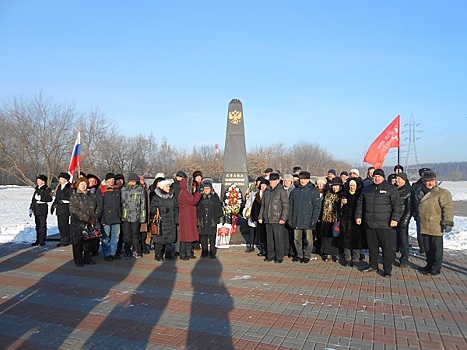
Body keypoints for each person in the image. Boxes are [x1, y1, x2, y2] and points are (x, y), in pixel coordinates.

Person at [355, 168, 403, 277]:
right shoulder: (367, 189)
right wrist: (358, 216)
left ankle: (387, 269)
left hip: (385, 224)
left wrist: (395, 219)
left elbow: (397, 206)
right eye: (375, 176)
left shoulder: (390, 189)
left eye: (379, 177)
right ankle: (373, 265)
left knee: (387, 248)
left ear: (383, 178)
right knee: (372, 247)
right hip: (370, 223)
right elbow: (360, 204)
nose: (376, 178)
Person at [414, 171, 454, 276]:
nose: (430, 183)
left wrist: (448, 222)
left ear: (435, 181)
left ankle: (436, 267)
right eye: (427, 181)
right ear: (423, 181)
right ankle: (429, 264)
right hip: (423, 224)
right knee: (427, 247)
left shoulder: (442, 192)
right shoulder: (419, 192)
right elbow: (415, 206)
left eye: (432, 181)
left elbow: (448, 208)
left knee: (436, 248)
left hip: (436, 224)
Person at [289, 171, 322, 263]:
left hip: (308, 219)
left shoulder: (313, 191)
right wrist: (290, 218)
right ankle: (299, 254)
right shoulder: (294, 191)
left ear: (308, 180)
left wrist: (314, 220)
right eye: (301, 179)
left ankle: (307, 255)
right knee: (296, 238)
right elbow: (290, 206)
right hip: (296, 218)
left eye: (304, 179)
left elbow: (317, 207)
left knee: (309, 240)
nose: (302, 181)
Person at [69, 176, 101, 267]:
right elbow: (74, 210)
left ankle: (88, 258)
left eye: (85, 184)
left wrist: (94, 217)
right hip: (78, 223)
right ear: (78, 185)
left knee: (89, 242)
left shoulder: (92, 195)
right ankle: (78, 260)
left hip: (91, 222)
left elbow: (98, 206)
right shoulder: (74, 196)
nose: (83, 186)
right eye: (81, 184)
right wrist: (86, 218)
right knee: (78, 242)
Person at [258, 172, 289, 263]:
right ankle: (270, 255)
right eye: (270, 180)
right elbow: (263, 206)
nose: (271, 182)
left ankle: (279, 256)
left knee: (278, 239)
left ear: (278, 181)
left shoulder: (281, 191)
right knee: (269, 239)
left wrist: (283, 218)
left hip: (277, 219)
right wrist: (261, 216)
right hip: (268, 219)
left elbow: (286, 206)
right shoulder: (266, 191)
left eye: (273, 180)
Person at [339, 179, 365, 267]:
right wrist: (341, 204)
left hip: (356, 220)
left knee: (356, 240)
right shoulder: (344, 195)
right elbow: (339, 209)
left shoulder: (360, 195)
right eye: (350, 186)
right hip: (346, 220)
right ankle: (347, 258)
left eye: (353, 186)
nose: (352, 187)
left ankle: (355, 259)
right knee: (346, 240)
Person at [121, 172, 147, 260]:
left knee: (135, 234)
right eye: (130, 181)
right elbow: (121, 203)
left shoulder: (140, 190)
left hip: (136, 215)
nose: (132, 183)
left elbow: (143, 204)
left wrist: (143, 217)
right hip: (125, 216)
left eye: (134, 181)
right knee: (126, 235)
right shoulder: (123, 189)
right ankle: (127, 251)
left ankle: (136, 251)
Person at [97, 173, 122, 262]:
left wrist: (120, 215)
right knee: (106, 237)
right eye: (110, 179)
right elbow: (100, 205)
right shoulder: (101, 189)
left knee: (115, 237)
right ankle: (106, 254)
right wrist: (102, 219)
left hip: (116, 217)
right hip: (106, 218)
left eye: (113, 179)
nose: (111, 181)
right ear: (106, 180)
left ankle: (113, 253)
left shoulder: (117, 189)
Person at [151, 179, 178, 261]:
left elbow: (176, 207)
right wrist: (163, 209)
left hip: (171, 221)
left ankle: (168, 254)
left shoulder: (172, 196)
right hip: (161, 221)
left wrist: (176, 217)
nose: (168, 188)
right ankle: (158, 255)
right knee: (159, 240)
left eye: (169, 186)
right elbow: (153, 208)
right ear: (162, 187)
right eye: (167, 186)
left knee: (169, 240)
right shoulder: (156, 197)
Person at [197, 179, 223, 259]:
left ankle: (212, 252)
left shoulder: (215, 197)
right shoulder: (200, 197)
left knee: (212, 237)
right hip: (202, 220)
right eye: (205, 189)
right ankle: (204, 252)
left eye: (208, 189)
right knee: (203, 237)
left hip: (212, 220)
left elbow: (219, 208)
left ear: (211, 189)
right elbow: (197, 209)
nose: (206, 190)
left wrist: (220, 218)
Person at [319, 177, 343, 262]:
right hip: (326, 219)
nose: (335, 188)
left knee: (336, 237)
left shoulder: (342, 195)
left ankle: (336, 254)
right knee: (327, 237)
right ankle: (327, 253)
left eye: (337, 186)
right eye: (333, 186)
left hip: (337, 220)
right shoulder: (328, 194)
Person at [178, 177, 202, 260]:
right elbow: (193, 201)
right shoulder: (184, 193)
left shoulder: (186, 192)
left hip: (189, 216)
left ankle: (188, 252)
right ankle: (182, 253)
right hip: (185, 217)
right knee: (185, 236)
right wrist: (198, 194)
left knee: (189, 235)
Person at [394, 172, 413, 268]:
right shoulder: (393, 189)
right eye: (396, 178)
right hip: (393, 219)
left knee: (403, 240)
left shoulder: (408, 191)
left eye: (399, 179)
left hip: (402, 219)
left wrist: (405, 221)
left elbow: (409, 209)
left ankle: (404, 259)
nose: (396, 180)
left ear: (404, 180)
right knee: (393, 239)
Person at [412, 167, 431, 253]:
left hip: (432, 214)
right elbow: (413, 200)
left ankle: (430, 248)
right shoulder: (416, 185)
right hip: (419, 213)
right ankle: (422, 248)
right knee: (420, 232)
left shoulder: (433, 185)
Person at [29, 175, 53, 246]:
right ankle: (38, 239)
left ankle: (42, 240)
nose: (38, 182)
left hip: (42, 208)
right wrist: (31, 208)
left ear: (43, 181)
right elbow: (33, 199)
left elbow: (49, 199)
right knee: (37, 225)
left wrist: (41, 198)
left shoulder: (47, 189)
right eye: (37, 180)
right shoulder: (37, 189)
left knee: (42, 225)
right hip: (36, 208)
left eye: (39, 180)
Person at [51, 172, 72, 247]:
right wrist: (53, 206)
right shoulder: (60, 187)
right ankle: (62, 238)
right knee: (60, 225)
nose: (60, 180)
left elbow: (71, 197)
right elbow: (57, 197)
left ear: (66, 180)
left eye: (62, 179)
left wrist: (63, 199)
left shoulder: (70, 187)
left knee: (64, 224)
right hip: (59, 208)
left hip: (66, 208)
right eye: (60, 178)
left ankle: (66, 239)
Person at [243, 177, 262, 253]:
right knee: (252, 230)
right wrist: (246, 210)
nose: (259, 184)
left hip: (261, 213)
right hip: (253, 213)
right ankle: (251, 245)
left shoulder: (266, 192)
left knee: (260, 231)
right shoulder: (253, 192)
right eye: (258, 182)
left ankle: (261, 246)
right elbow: (248, 202)